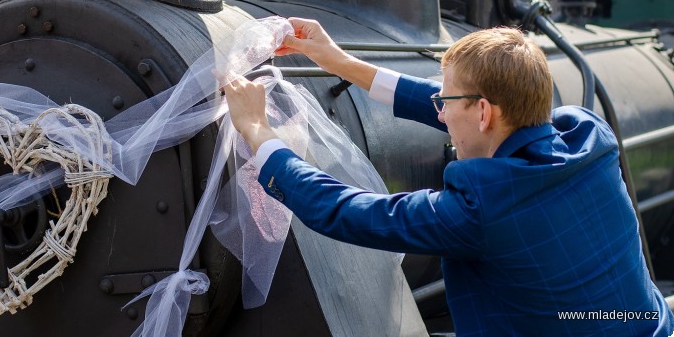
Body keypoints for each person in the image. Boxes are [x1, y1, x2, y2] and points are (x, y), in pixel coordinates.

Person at [222, 17, 674, 336]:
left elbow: (342, 210)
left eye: (447, 101)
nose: (439, 109)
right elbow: (457, 105)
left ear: (482, 112)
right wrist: (337, 61)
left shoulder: (479, 209)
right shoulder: (586, 134)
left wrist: (259, 131)